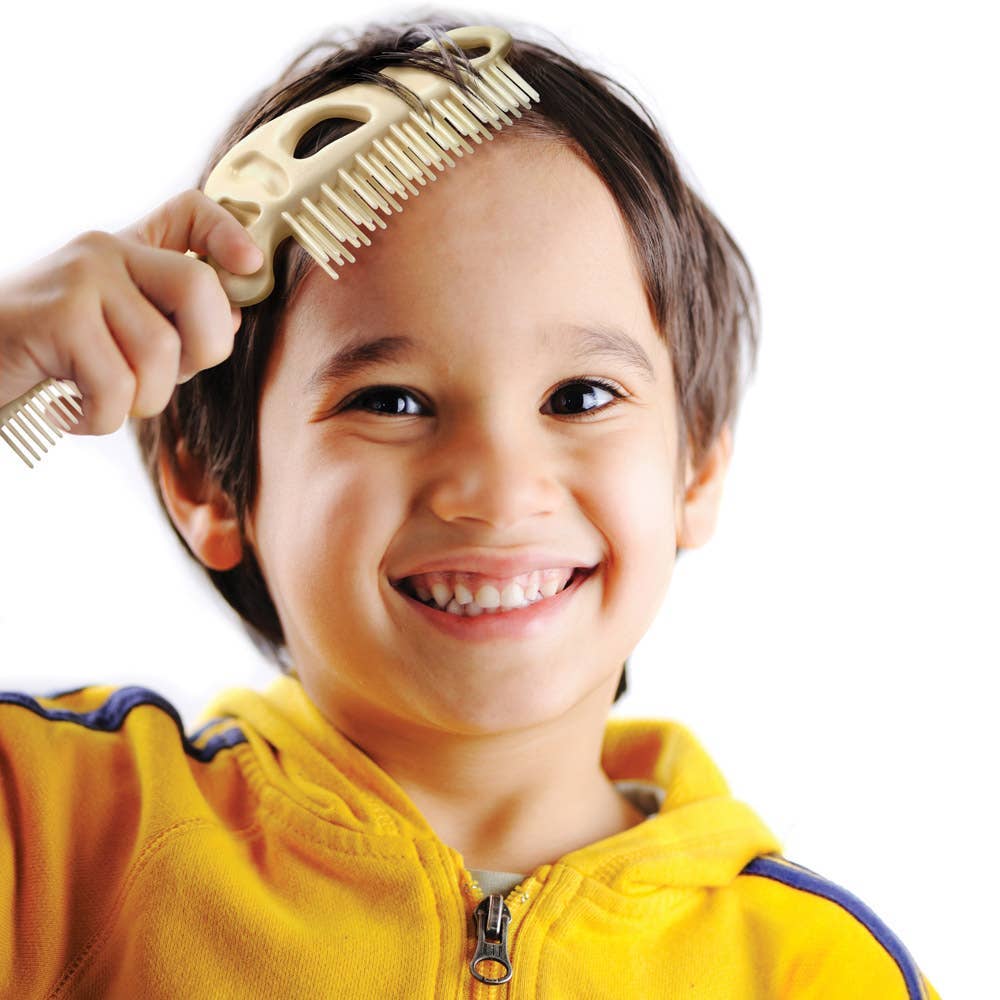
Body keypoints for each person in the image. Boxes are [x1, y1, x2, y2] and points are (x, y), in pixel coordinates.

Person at [0, 12, 940, 997]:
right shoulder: (62, 832)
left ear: (695, 469)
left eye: (578, 398)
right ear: (208, 479)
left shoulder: (815, 968)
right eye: (390, 401)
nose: (497, 488)